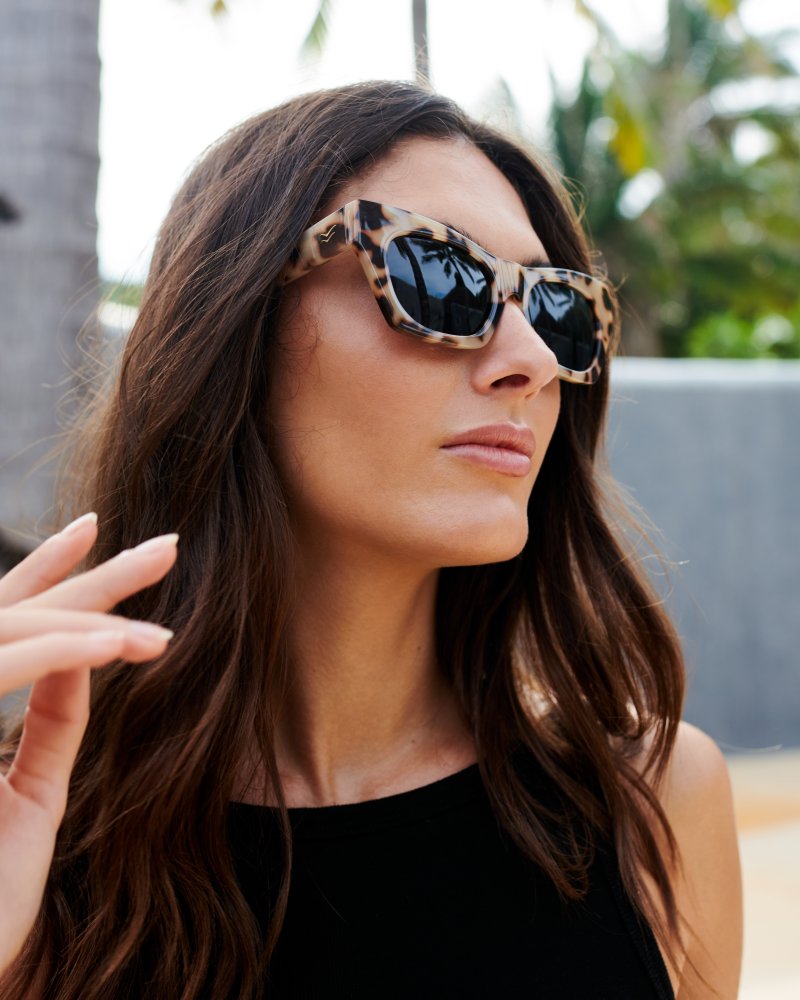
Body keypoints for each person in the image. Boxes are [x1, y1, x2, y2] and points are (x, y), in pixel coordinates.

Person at [0, 81, 741, 998]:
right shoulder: (40, 842)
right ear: (238, 323)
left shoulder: (653, 808)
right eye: (439, 275)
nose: (533, 360)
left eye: (558, 308)